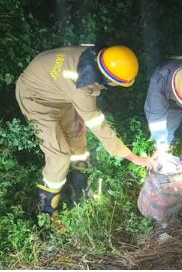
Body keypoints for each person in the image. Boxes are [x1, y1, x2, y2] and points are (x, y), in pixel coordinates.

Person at [15, 45, 156, 215]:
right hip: (35, 97)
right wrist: (133, 158)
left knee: (77, 137)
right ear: (109, 79)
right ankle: (47, 211)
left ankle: (79, 189)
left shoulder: (94, 55)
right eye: (117, 83)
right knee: (59, 155)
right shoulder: (82, 85)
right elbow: (99, 125)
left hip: (57, 91)